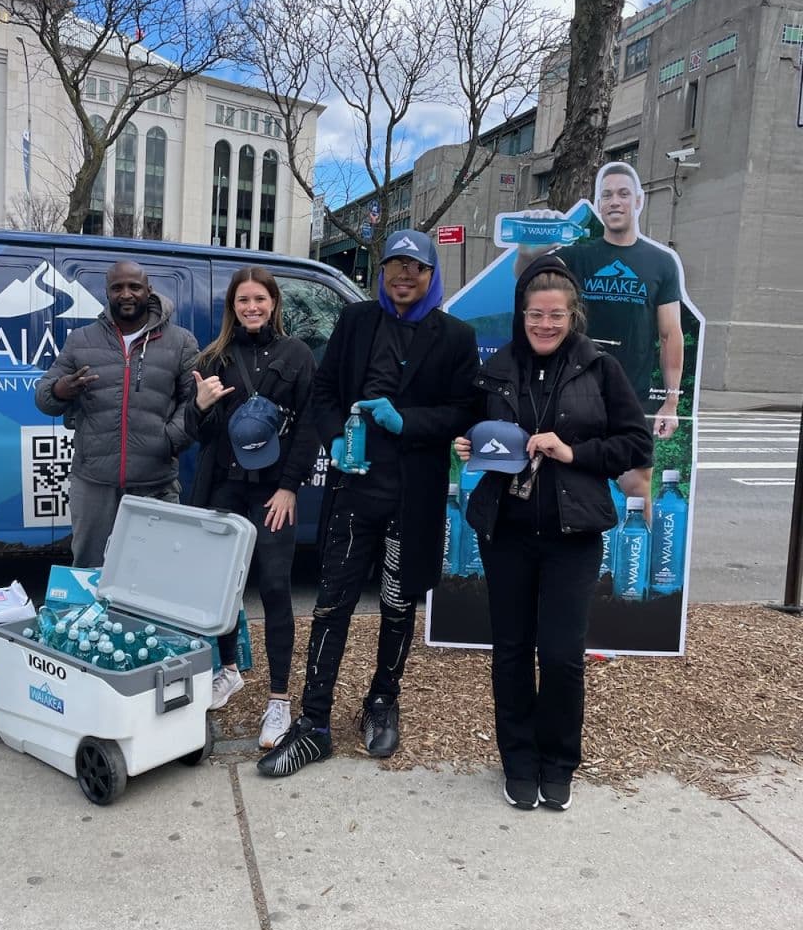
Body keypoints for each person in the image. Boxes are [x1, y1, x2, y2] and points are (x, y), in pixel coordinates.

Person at [257, 229, 480, 778]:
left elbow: (463, 409)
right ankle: (314, 725)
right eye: (395, 266)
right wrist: (335, 436)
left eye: (416, 268)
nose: (404, 276)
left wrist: (408, 422)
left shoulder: (454, 336)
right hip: (353, 494)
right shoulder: (356, 323)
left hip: (412, 495)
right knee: (332, 604)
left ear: (432, 275)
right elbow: (325, 392)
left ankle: (383, 699)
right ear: (382, 272)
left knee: (398, 604)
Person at [458, 256, 651, 812]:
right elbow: (475, 432)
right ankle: (518, 760)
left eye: (556, 316)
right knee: (512, 652)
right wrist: (468, 446)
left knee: (563, 656)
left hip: (573, 535)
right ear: (521, 315)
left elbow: (635, 446)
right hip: (507, 533)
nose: (544, 324)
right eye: (535, 315)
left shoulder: (601, 369)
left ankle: (559, 761)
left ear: (573, 316)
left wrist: (574, 452)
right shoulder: (493, 370)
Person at [186, 266, 318, 747]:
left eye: (259, 299)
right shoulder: (215, 356)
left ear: (274, 302)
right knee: (218, 590)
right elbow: (198, 435)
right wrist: (199, 406)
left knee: (277, 590)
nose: (252, 308)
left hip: (273, 493)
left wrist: (289, 488)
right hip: (224, 488)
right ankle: (227, 669)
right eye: (243, 301)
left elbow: (310, 427)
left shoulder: (298, 355)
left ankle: (279, 702)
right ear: (232, 307)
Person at [515, 162, 684, 518]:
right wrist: (528, 247)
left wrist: (670, 402)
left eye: (623, 193)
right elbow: (526, 282)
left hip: (631, 396)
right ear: (598, 203)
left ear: (638, 201)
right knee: (566, 480)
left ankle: (636, 569)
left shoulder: (661, 262)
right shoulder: (578, 255)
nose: (615, 201)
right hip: (575, 391)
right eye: (606, 195)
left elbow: (670, 334)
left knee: (638, 488)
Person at [35, 260, 198, 567]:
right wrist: (60, 390)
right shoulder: (81, 339)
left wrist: (168, 440)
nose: (126, 294)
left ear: (148, 290)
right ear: (106, 292)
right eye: (117, 287)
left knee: (155, 571)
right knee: (88, 569)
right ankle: (89, 618)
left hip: (155, 484)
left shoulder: (181, 341)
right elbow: (43, 397)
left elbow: (195, 404)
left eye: (134, 287)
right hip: (94, 482)